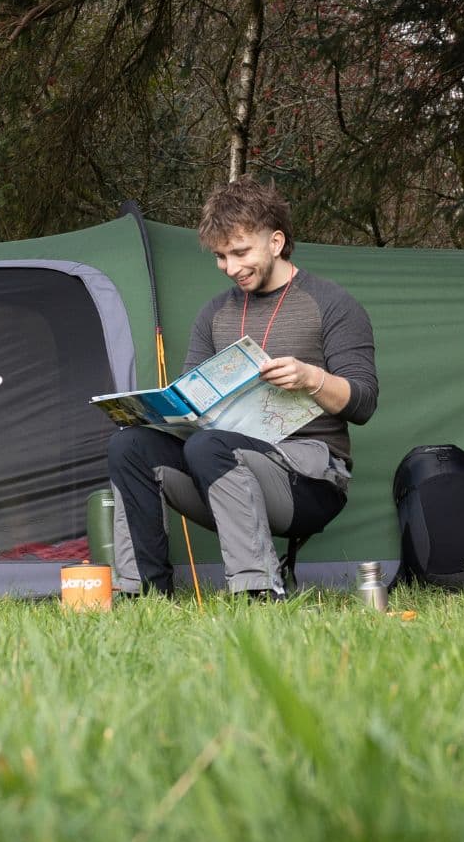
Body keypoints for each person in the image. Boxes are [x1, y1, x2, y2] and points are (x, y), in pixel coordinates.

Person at [109, 177, 378, 599]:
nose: (231, 268)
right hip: (217, 462)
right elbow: (192, 399)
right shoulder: (214, 314)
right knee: (129, 446)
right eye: (220, 257)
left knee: (208, 447)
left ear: (275, 241)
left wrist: (312, 378)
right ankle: (142, 593)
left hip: (311, 480)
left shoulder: (331, 304)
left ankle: (256, 591)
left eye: (240, 252)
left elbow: (363, 403)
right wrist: (165, 410)